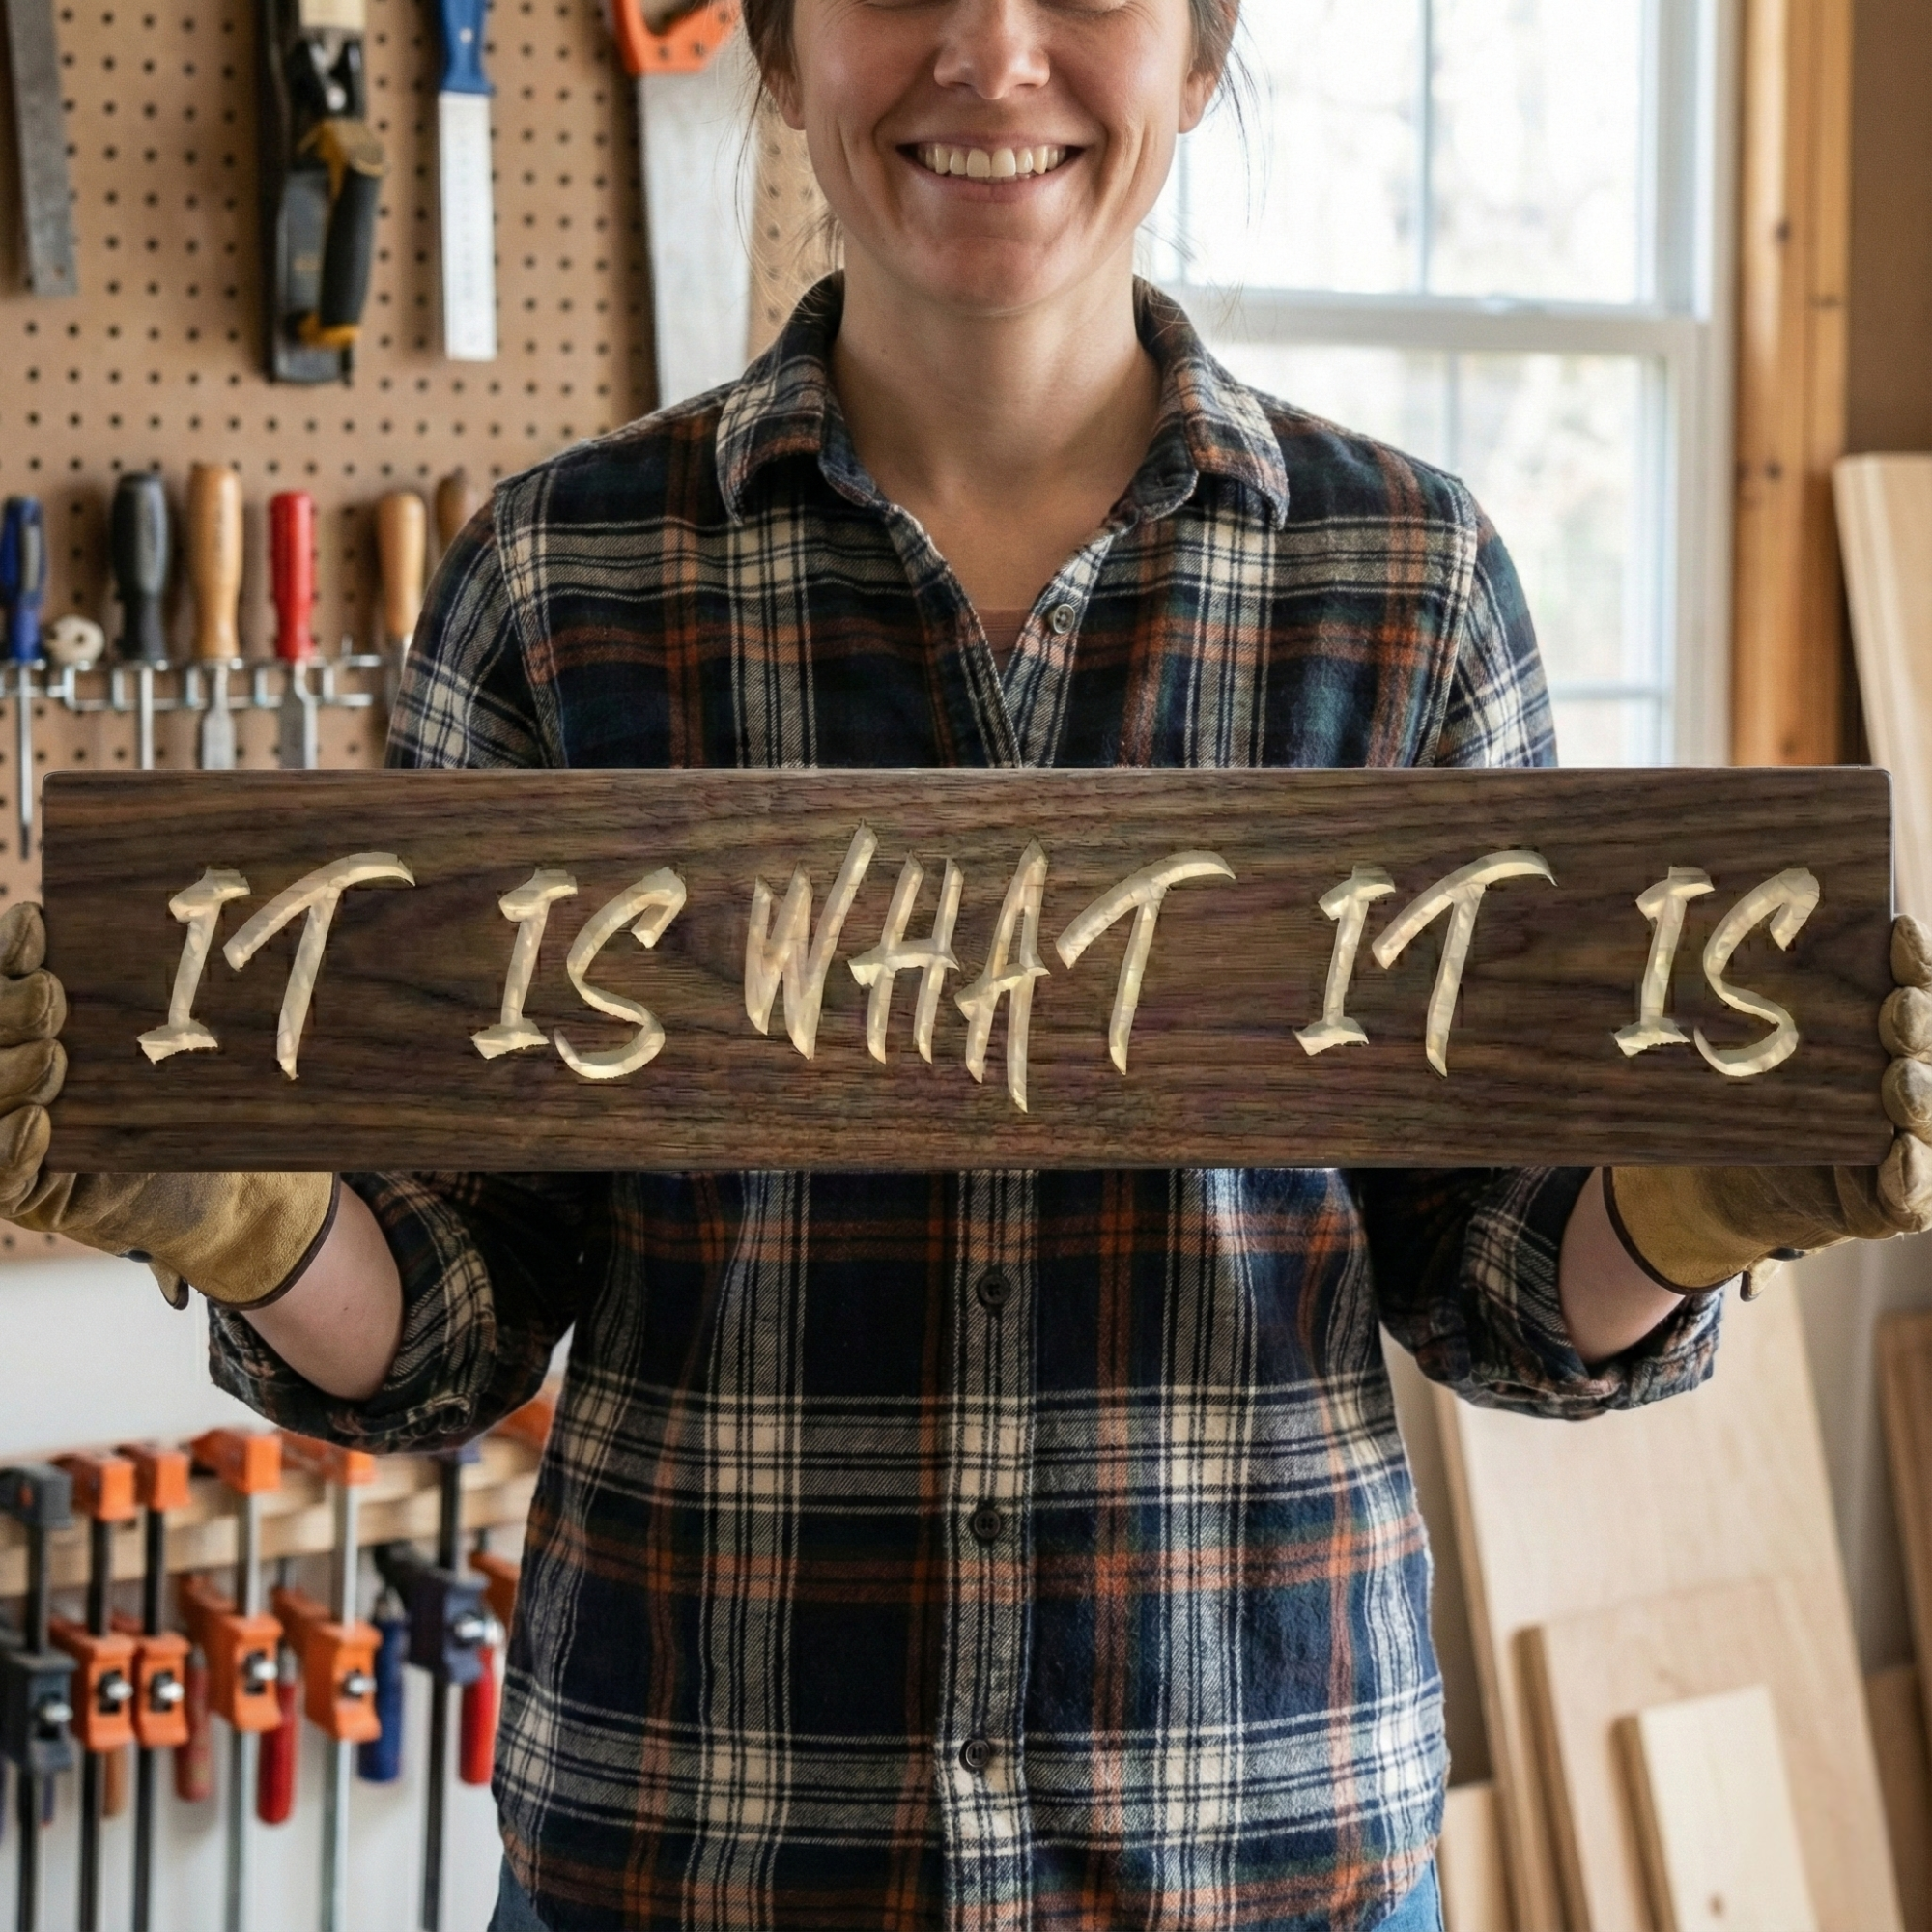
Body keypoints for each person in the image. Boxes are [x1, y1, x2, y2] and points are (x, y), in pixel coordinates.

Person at [4, 1, 1930, 1925]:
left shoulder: (1404, 582)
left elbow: (1496, 1281)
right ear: (771, 45)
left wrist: (1683, 1205)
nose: (990, 56)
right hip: (693, 1858)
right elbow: (454, 1313)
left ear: (1198, 51)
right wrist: (249, 1218)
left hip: (1259, 1861)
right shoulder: (554, 581)